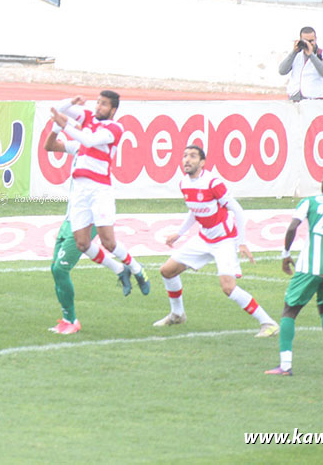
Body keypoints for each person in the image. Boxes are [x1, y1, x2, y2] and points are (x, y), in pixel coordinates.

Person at [155, 145, 279, 337]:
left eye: (193, 156)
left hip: (224, 240)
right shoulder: (184, 183)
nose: (187, 159)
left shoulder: (213, 182)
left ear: (202, 163)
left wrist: (242, 242)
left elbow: (237, 209)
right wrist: (179, 233)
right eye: (185, 155)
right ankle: (177, 314)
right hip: (204, 237)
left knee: (228, 287)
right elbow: (194, 210)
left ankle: (268, 323)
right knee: (167, 271)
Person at [49, 92, 150, 298]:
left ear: (113, 110)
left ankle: (138, 271)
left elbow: (89, 140)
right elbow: (59, 108)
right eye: (98, 102)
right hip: (80, 190)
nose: (98, 107)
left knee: (108, 241)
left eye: (103, 104)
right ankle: (120, 271)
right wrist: (70, 102)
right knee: (82, 244)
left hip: (99, 189)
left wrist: (65, 125)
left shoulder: (115, 128)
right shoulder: (88, 117)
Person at [265, 166, 323, 376]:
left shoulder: (310, 202)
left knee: (290, 310)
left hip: (310, 265)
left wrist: (285, 254)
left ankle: (285, 365)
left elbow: (292, 228)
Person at [44, 115, 97, 335]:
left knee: (61, 268)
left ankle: (72, 320)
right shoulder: (78, 147)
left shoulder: (99, 152)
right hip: (69, 219)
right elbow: (49, 146)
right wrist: (56, 127)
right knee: (55, 269)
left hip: (88, 220)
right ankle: (67, 319)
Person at [278, 26, 323, 101]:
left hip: (314, 98)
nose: (308, 44)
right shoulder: (296, 54)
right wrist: (294, 52)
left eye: (311, 41)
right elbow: (282, 71)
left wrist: (311, 55)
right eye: (305, 41)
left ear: (316, 39)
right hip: (295, 97)